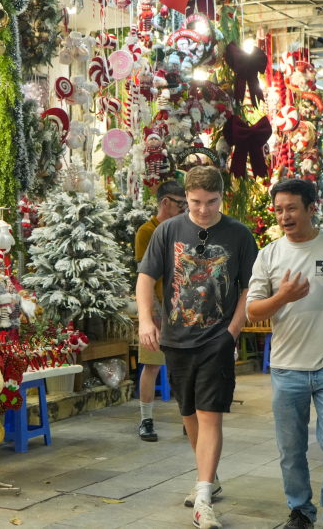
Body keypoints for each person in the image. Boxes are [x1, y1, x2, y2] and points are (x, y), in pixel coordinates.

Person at [137, 166, 259, 529]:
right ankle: (210, 477)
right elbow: (146, 278)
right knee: (188, 412)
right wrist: (147, 319)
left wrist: (233, 331)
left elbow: (249, 286)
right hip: (175, 338)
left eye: (211, 202)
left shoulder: (238, 234)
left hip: (217, 339)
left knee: (210, 413)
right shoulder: (167, 230)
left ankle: (203, 495)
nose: (204, 209)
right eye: (195, 202)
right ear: (184, 199)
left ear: (222, 197)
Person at [246, 179, 323, 529]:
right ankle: (300, 511)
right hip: (286, 369)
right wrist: (282, 297)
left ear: (312, 207)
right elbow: (253, 310)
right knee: (291, 450)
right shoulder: (268, 254)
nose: (285, 216)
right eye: (279, 209)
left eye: (292, 208)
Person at [134, 179, 187, 441]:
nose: (185, 209)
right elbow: (145, 276)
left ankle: (190, 418)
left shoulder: (186, 228)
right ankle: (146, 420)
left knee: (188, 366)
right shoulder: (147, 231)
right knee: (152, 364)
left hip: (185, 310)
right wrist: (151, 314)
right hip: (158, 310)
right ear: (165, 202)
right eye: (181, 204)